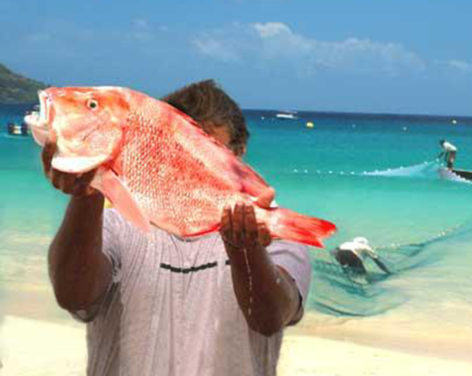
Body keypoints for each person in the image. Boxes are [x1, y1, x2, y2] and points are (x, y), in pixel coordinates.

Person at [43, 80, 310, 375]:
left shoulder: (271, 232)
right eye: (176, 152)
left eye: (207, 152)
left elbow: (270, 317)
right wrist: (89, 191)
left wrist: (246, 250)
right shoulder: (116, 224)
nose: (189, 166)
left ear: (239, 154)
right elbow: (73, 294)